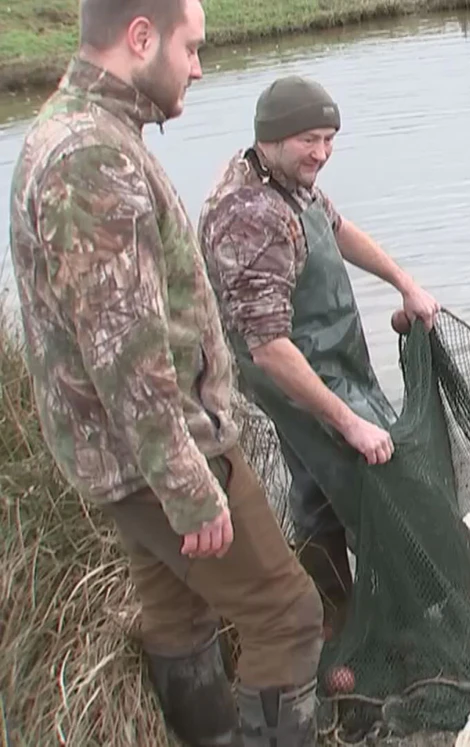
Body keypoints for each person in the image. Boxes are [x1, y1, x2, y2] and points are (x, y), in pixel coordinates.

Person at [6, 1, 327, 745]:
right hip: (164, 455)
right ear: (141, 37)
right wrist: (188, 487)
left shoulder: (79, 128)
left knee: (178, 612)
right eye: (191, 48)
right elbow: (126, 354)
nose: (199, 68)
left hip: (124, 459)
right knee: (288, 616)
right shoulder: (91, 157)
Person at [196, 75, 441, 640]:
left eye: (329, 139)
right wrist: (350, 422)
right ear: (272, 137)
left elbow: (338, 228)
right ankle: (405, 623)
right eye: (310, 139)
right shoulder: (247, 215)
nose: (322, 153)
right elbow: (268, 349)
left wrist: (405, 283)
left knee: (315, 492)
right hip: (298, 374)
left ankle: (337, 620)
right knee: (382, 486)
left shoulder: (285, 179)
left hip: (332, 362)